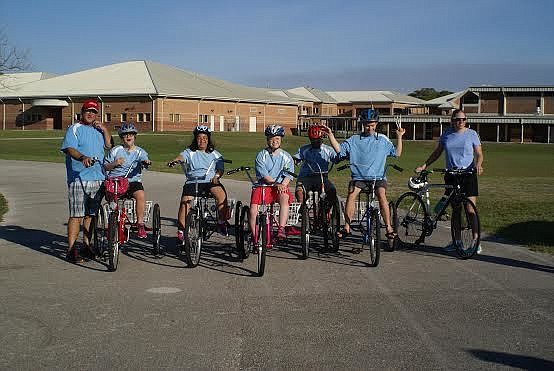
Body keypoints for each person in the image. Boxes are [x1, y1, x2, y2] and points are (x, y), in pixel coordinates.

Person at [328, 109, 405, 251]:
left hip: (378, 177)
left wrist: (399, 136)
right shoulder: (354, 140)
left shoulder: (382, 139)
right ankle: (347, 226)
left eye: (372, 125)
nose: (369, 127)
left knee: (382, 196)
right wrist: (331, 136)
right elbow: (339, 150)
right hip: (359, 177)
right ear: (362, 124)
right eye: (366, 125)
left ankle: (388, 227)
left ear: (376, 124)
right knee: (351, 195)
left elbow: (397, 153)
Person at [415, 108, 484, 253]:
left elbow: (479, 153)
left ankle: (476, 242)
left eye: (463, 119)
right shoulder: (447, 134)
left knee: (470, 209)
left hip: (468, 174)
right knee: (456, 210)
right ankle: (456, 241)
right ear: (452, 120)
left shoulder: (472, 134)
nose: (460, 122)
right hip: (452, 175)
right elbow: (438, 152)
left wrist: (478, 164)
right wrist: (425, 165)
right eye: (457, 119)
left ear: (466, 120)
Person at [60, 99, 113, 262]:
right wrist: (82, 157)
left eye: (94, 112)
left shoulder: (98, 130)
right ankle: (71, 249)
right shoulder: (75, 128)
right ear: (82, 113)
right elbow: (69, 148)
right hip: (79, 177)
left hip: (98, 177)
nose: (90, 114)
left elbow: (109, 146)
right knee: (77, 214)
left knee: (91, 215)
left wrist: (105, 130)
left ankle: (87, 246)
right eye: (87, 111)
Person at [169, 125, 231, 239]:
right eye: (199, 138)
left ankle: (222, 222)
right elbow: (180, 157)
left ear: (208, 140)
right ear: (195, 139)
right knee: (185, 202)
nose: (202, 140)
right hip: (193, 181)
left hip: (210, 180)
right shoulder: (190, 152)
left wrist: (217, 176)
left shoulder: (215, 153)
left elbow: (220, 168)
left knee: (221, 195)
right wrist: (175, 161)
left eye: (205, 138)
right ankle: (181, 231)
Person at [104, 122, 152, 238]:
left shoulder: (140, 152)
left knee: (140, 194)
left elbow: (145, 160)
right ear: (121, 138)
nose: (128, 137)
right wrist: (115, 163)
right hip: (116, 180)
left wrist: (146, 162)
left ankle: (140, 223)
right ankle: (117, 222)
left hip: (132, 181)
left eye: (130, 134)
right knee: (111, 199)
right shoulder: (115, 150)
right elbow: (105, 166)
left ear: (134, 136)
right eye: (125, 135)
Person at [249, 124, 295, 240]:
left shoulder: (286, 156)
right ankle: (255, 237)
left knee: (284, 197)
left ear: (281, 140)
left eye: (277, 139)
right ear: (267, 139)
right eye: (271, 138)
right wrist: (276, 184)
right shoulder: (261, 155)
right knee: (253, 209)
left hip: (279, 187)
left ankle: (281, 228)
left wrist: (283, 185)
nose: (274, 141)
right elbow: (265, 176)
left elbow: (288, 175)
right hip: (263, 186)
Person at [293, 124, 338, 204]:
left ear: (322, 138)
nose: (315, 142)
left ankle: (326, 210)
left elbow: (336, 157)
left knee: (332, 191)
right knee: (299, 191)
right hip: (305, 177)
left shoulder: (328, 150)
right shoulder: (304, 149)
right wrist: (297, 160)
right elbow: (297, 157)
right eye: (313, 140)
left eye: (318, 140)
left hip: (322, 178)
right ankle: (302, 208)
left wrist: (338, 159)